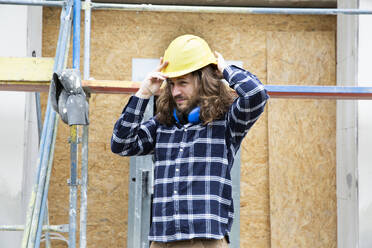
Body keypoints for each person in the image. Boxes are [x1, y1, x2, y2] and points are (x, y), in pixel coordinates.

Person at [111, 34, 269, 248]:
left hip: (205, 239)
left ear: (203, 80)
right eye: (172, 83)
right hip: (162, 240)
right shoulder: (162, 125)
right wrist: (144, 92)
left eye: (183, 83)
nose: (176, 91)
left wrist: (225, 70)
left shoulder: (227, 124)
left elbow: (256, 94)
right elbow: (121, 143)